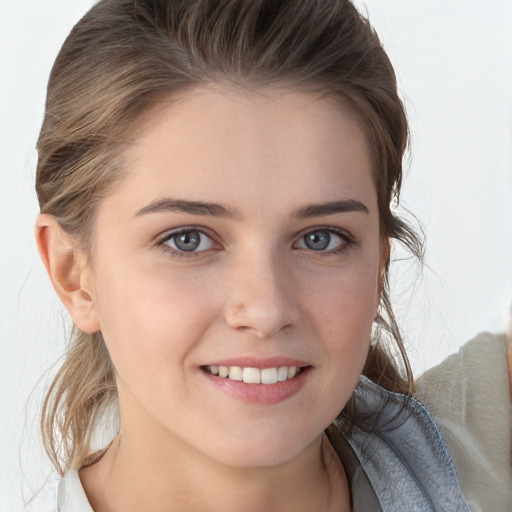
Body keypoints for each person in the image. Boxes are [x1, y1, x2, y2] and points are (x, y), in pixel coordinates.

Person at [33, 0, 471, 510]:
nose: (266, 309)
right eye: (188, 239)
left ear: (378, 266)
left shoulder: (487, 464)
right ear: (73, 274)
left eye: (320, 238)